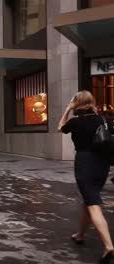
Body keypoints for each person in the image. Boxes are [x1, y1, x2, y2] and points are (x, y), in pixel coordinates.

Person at [59, 91, 113, 263]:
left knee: (93, 204)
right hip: (103, 163)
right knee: (89, 200)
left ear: (77, 103)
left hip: (85, 163)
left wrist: (67, 109)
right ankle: (80, 234)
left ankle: (108, 246)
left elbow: (60, 127)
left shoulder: (75, 122)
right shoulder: (103, 120)